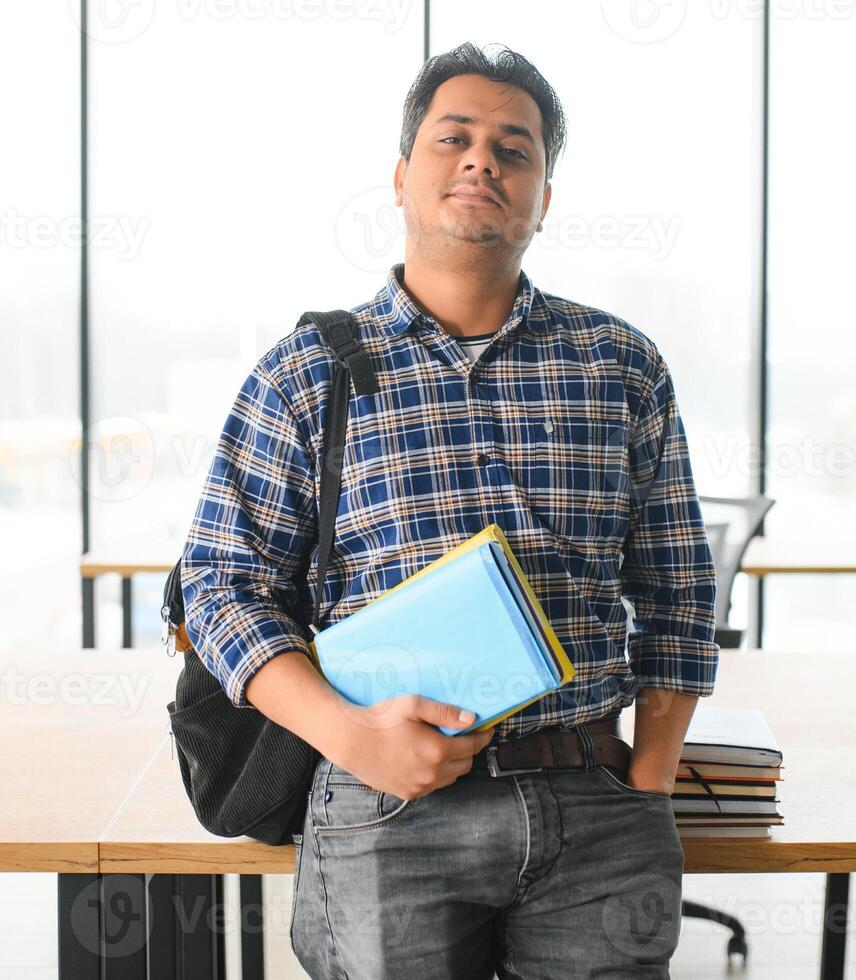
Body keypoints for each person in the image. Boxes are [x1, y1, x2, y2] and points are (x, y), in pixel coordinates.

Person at [181, 41, 719, 979]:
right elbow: (220, 587)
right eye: (454, 139)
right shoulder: (306, 373)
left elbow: (675, 585)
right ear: (401, 177)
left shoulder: (620, 364)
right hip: (387, 808)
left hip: (596, 801)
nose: (483, 160)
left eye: (515, 149)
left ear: (543, 198)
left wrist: (652, 778)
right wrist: (348, 738)